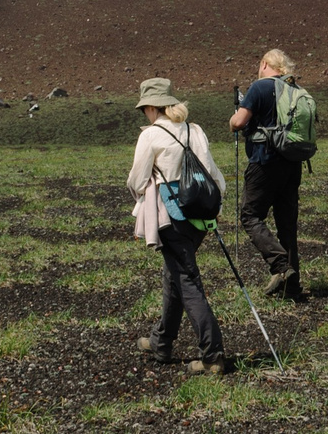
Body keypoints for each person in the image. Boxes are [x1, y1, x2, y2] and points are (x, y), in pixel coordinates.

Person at [127, 78, 231, 373]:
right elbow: (213, 174)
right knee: (174, 276)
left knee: (186, 280)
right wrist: (216, 208)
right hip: (199, 216)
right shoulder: (194, 130)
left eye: (144, 109)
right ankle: (161, 342)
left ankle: (212, 355)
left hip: (170, 218)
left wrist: (144, 195)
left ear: (151, 107)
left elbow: (136, 181)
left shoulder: (150, 135)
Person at [228, 47, 309, 302]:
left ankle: (281, 266)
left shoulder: (259, 87)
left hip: (264, 161)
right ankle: (292, 286)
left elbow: (239, 122)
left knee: (250, 215)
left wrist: (232, 120)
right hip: (292, 163)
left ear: (265, 64)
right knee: (287, 224)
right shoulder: (294, 89)